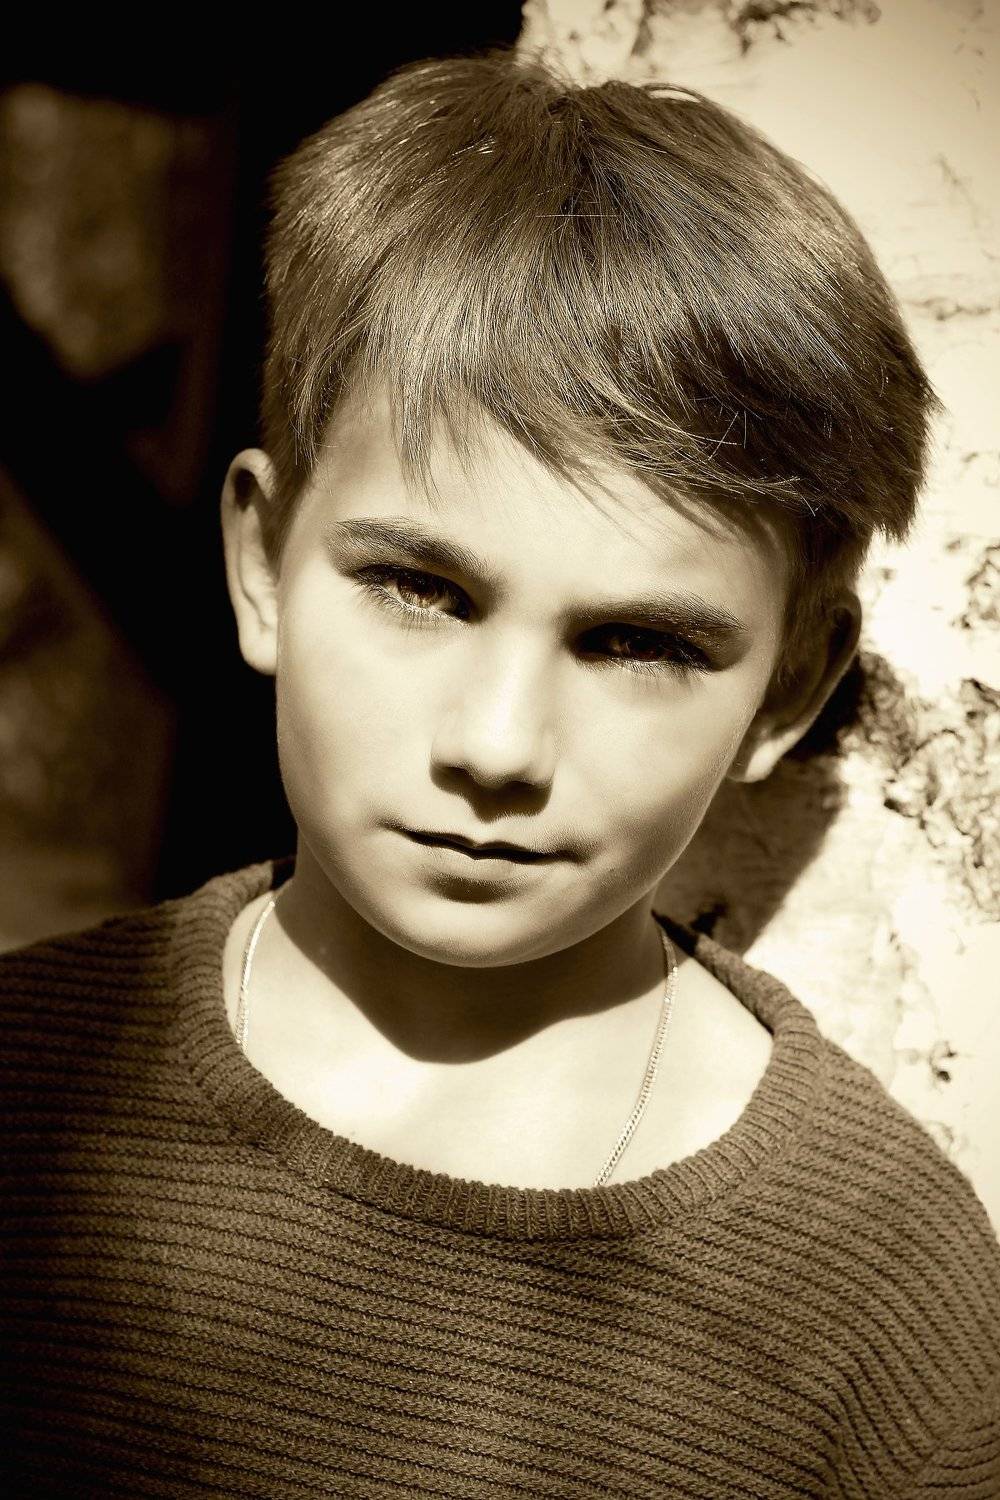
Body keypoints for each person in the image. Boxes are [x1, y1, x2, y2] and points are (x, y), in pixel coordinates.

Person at [4, 48, 998, 1499]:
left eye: (640, 642)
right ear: (263, 563)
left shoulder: (881, 1300)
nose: (497, 746)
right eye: (420, 589)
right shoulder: (29, 1091)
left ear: (791, 686)